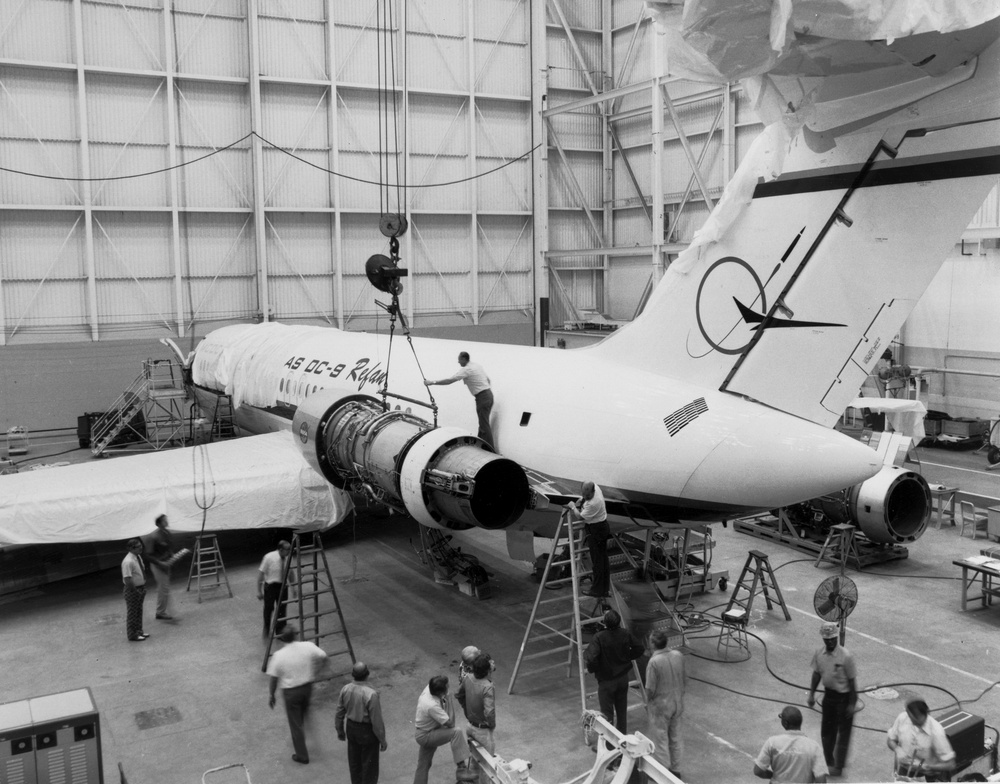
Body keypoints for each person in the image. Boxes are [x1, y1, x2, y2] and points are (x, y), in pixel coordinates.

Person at [266, 627, 328, 765]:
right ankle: (307, 730)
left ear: (282, 639)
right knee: (305, 711)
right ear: (295, 635)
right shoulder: (307, 646)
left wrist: (272, 695)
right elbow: (324, 657)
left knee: (295, 724)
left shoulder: (279, 655)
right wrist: (318, 671)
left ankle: (302, 755)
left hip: (291, 692)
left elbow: (274, 679)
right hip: (307, 688)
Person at [807, 622, 857, 777]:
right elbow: (816, 674)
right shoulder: (819, 654)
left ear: (836, 637)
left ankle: (838, 767)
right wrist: (811, 694)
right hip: (829, 697)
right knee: (827, 732)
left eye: (832, 639)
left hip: (844, 697)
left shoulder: (845, 656)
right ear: (823, 638)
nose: (829, 641)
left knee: (844, 733)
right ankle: (828, 761)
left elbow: (852, 681)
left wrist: (852, 703)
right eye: (826, 639)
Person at [584, 609, 644, 734]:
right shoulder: (625, 633)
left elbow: (591, 658)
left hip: (606, 681)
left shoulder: (599, 637)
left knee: (607, 714)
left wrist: (593, 669)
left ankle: (609, 744)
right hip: (622, 679)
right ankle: (622, 738)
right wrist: (627, 656)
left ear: (605, 622)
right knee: (621, 711)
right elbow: (639, 648)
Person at [413, 675, 478, 783]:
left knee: (423, 765)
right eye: (447, 687)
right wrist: (449, 698)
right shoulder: (431, 705)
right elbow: (451, 723)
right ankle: (461, 770)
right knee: (456, 732)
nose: (449, 687)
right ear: (440, 693)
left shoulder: (430, 689)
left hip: (425, 731)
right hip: (427, 735)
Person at [424, 352, 495, 449]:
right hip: (488, 395)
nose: (458, 362)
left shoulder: (466, 370)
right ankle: (481, 446)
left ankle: (489, 448)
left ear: (464, 359)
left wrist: (431, 382)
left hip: (482, 397)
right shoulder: (476, 366)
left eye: (459, 359)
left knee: (484, 424)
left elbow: (449, 381)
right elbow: (488, 380)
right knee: (483, 423)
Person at [336, 662, 388, 784]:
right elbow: (376, 722)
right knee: (369, 768)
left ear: (352, 675)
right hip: (367, 732)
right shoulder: (371, 694)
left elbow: (339, 712)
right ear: (367, 674)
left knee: (355, 764)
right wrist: (382, 740)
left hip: (351, 729)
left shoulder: (345, 689)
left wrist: (340, 730)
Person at [645, 630, 685, 778]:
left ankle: (662, 774)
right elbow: (684, 678)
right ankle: (676, 770)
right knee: (675, 737)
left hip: (661, 705)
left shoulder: (654, 662)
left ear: (653, 644)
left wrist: (648, 702)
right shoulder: (678, 656)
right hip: (677, 702)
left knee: (660, 738)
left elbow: (650, 688)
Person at [887, 697, 956, 782]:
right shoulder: (903, 718)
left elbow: (950, 764)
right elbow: (890, 740)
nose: (913, 722)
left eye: (918, 719)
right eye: (911, 718)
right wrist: (897, 749)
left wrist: (928, 766)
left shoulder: (936, 732)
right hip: (905, 770)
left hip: (928, 776)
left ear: (927, 713)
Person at [753, 706, 828, 783]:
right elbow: (821, 780)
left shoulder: (772, 742)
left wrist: (773, 776)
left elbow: (758, 771)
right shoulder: (814, 747)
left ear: (785, 723)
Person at [568, 481, 610, 597]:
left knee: (597, 562)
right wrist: (582, 499)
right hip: (601, 527)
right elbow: (585, 496)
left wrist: (573, 507)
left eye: (588, 496)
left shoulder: (594, 503)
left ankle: (597, 590)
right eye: (584, 495)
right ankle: (604, 589)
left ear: (593, 492)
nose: (586, 497)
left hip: (596, 530)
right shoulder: (595, 486)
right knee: (603, 560)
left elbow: (580, 516)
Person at [457, 652, 496, 756]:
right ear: (487, 669)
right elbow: (489, 712)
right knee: (488, 765)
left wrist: (467, 711)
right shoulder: (487, 687)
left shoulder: (468, 678)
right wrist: (491, 725)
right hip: (482, 731)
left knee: (475, 759)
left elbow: (459, 695)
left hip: (470, 726)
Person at [145, 513, 177, 621]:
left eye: (166, 519)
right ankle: (160, 612)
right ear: (159, 523)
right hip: (158, 565)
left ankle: (161, 610)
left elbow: (169, 547)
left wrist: (171, 555)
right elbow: (148, 555)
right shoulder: (153, 536)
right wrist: (160, 563)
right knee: (164, 588)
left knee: (163, 588)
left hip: (166, 563)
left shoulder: (167, 533)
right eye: (164, 520)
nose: (166, 522)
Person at [257, 540, 291, 637]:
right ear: (280, 549)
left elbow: (290, 572)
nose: (289, 551)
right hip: (271, 586)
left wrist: (294, 586)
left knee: (282, 608)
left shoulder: (288, 558)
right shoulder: (269, 557)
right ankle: (266, 628)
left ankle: (280, 630)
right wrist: (259, 591)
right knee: (268, 608)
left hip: (283, 586)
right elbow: (261, 573)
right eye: (287, 549)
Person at [121, 538, 149, 642]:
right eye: (138, 547)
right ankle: (133, 635)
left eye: (141, 546)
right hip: (133, 589)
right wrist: (135, 591)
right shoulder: (128, 561)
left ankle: (139, 631)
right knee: (132, 613)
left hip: (140, 588)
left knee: (139, 611)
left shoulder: (137, 557)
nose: (140, 548)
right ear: (131, 548)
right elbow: (127, 578)